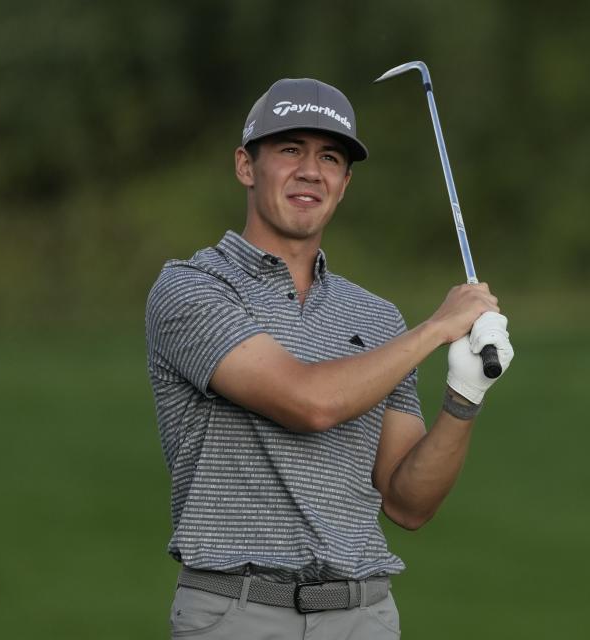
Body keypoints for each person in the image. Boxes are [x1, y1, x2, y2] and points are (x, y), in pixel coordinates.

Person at [145, 77, 514, 639]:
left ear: (343, 184)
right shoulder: (192, 288)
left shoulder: (376, 319)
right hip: (237, 614)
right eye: (290, 149)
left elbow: (408, 503)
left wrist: (464, 397)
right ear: (246, 166)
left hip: (363, 615)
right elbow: (308, 402)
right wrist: (436, 330)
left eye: (330, 157)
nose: (311, 171)